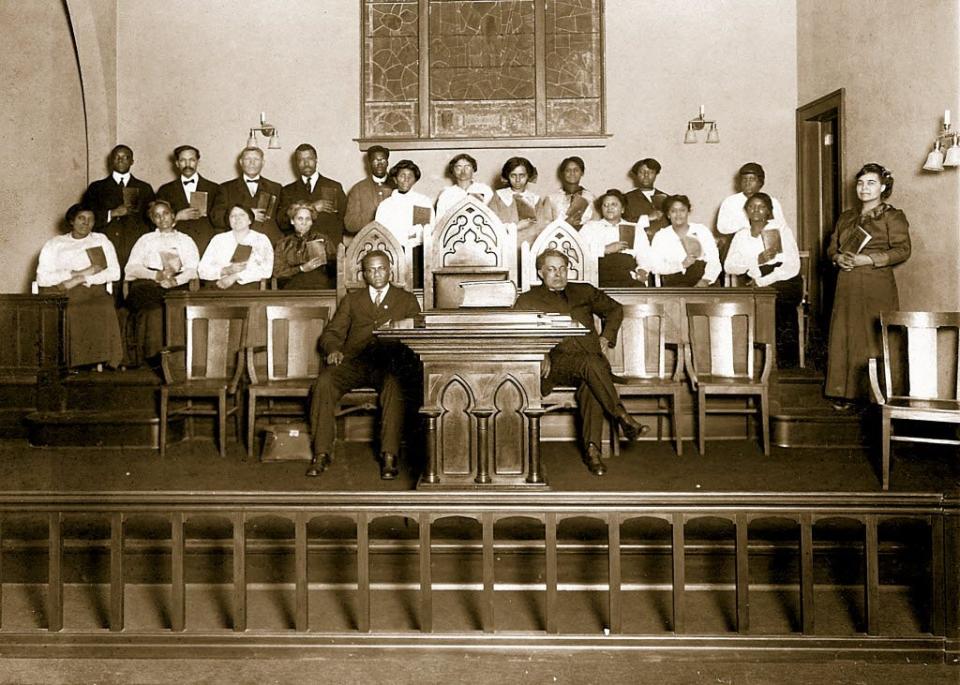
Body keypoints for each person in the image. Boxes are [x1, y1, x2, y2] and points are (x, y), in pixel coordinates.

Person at [514, 249, 649, 476]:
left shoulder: (583, 291)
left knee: (591, 381)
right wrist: (540, 352)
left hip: (592, 366)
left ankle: (592, 452)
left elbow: (615, 309)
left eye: (563, 268)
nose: (558, 274)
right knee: (592, 365)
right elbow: (517, 332)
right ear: (540, 273)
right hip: (556, 366)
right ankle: (622, 417)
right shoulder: (528, 299)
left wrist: (607, 336)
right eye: (551, 269)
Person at [309, 250, 422, 479]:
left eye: (381, 268)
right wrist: (333, 350)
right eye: (371, 270)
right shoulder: (352, 299)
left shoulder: (406, 299)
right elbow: (331, 333)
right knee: (324, 382)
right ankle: (321, 453)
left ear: (390, 270)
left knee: (394, 385)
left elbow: (418, 332)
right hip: (355, 362)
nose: (377, 274)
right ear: (364, 274)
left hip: (389, 363)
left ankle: (389, 455)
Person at [825, 163, 910, 408]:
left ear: (883, 187)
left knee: (873, 338)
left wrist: (870, 259)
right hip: (847, 282)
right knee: (846, 334)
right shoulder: (847, 217)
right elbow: (832, 247)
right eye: (861, 183)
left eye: (871, 183)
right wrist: (837, 257)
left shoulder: (893, 216)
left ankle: (877, 396)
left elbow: (903, 250)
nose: (864, 188)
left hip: (876, 283)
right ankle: (845, 394)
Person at [35, 204, 123, 369]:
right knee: (69, 308)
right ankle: (71, 361)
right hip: (62, 289)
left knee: (103, 305)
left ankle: (99, 359)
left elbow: (115, 272)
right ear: (71, 221)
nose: (86, 223)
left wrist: (83, 278)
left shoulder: (101, 240)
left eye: (91, 219)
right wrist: (74, 274)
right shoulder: (55, 244)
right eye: (81, 218)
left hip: (92, 288)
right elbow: (42, 278)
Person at [723, 192, 802, 366]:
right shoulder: (741, 235)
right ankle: (754, 364)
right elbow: (729, 266)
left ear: (769, 211)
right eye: (751, 206)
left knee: (779, 309)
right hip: (753, 281)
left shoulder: (780, 230)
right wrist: (756, 261)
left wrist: (762, 281)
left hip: (783, 281)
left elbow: (792, 266)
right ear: (746, 211)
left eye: (761, 207)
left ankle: (785, 365)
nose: (756, 210)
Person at [123, 200, 200, 363]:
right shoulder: (145, 240)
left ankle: (177, 359)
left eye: (165, 213)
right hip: (149, 284)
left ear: (173, 216)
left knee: (173, 307)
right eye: (156, 216)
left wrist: (175, 281)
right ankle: (153, 359)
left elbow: (193, 269)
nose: (162, 219)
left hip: (176, 284)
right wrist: (156, 276)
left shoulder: (185, 240)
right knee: (155, 310)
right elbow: (131, 269)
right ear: (152, 220)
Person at [81, 144, 155, 270]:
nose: (120, 160)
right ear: (111, 161)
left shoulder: (144, 188)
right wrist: (112, 213)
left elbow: (152, 219)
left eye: (125, 157)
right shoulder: (96, 188)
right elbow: (86, 217)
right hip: (107, 243)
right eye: (117, 157)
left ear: (132, 161)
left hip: (135, 245)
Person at [278, 143, 346, 256]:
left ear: (316, 160)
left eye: (309, 159)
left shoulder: (334, 186)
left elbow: (344, 218)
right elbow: (282, 222)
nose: (306, 163)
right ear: (296, 163)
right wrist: (312, 207)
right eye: (301, 160)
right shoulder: (287, 190)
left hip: (329, 251)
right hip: (299, 253)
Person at [374, 159, 434, 286]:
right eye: (402, 176)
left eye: (410, 176)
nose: (406, 179)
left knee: (416, 286)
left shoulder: (422, 201)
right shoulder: (386, 205)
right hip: (392, 252)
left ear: (415, 180)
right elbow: (380, 232)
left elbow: (424, 229)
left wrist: (410, 239)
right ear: (395, 179)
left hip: (416, 254)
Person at [155, 145, 221, 255]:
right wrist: (177, 217)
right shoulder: (165, 190)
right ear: (176, 163)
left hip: (205, 246)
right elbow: (156, 221)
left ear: (198, 162)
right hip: (176, 247)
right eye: (183, 160)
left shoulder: (214, 188)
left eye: (191, 160)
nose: (187, 164)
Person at [210, 147, 284, 245]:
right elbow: (216, 217)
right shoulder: (226, 188)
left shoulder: (276, 188)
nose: (252, 163)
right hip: (237, 243)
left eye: (256, 159)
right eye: (247, 159)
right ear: (241, 162)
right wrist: (246, 213)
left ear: (263, 162)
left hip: (269, 243)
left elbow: (282, 219)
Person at [579, 189, 650, 287]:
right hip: (599, 274)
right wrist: (605, 249)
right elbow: (580, 253)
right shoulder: (590, 227)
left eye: (614, 204)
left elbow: (645, 254)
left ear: (622, 209)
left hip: (627, 274)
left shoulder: (635, 228)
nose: (609, 208)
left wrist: (642, 270)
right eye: (605, 205)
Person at [648, 195, 721, 287]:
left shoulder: (701, 230)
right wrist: (681, 265)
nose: (678, 215)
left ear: (688, 212)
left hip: (704, 280)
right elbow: (655, 267)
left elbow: (714, 261)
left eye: (682, 210)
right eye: (673, 211)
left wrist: (706, 280)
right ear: (668, 214)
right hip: (675, 283)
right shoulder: (661, 236)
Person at [198, 204, 273, 289]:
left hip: (249, 289)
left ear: (250, 220)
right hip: (219, 286)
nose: (237, 218)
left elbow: (266, 270)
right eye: (233, 216)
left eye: (242, 215)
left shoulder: (261, 239)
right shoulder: (218, 239)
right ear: (229, 221)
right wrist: (226, 270)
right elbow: (202, 270)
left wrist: (235, 277)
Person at [489, 156, 549, 246]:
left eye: (522, 175)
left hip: (529, 246)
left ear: (528, 176)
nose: (517, 180)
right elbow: (491, 224)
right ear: (507, 176)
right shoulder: (499, 196)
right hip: (505, 244)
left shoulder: (535, 199)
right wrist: (515, 227)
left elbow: (541, 228)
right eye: (513, 175)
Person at [273, 202, 335, 289]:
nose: (304, 222)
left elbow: (334, 268)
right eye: (300, 219)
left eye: (308, 219)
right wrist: (301, 268)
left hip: (319, 288)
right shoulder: (283, 244)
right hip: (291, 289)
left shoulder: (323, 240)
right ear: (292, 221)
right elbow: (277, 273)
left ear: (312, 222)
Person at [716, 162, 786, 235]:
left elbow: (781, 226)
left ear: (760, 182)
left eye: (752, 179)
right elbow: (722, 228)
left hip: (765, 241)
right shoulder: (730, 202)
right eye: (744, 179)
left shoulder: (772, 201)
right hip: (738, 241)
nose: (747, 183)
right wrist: (748, 223)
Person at [344, 145, 394, 234]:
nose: (379, 164)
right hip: (368, 240)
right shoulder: (358, 189)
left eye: (383, 160)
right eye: (375, 161)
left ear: (387, 163)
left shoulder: (397, 186)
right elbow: (349, 224)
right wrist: (374, 214)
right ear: (369, 163)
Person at [540, 156, 596, 230]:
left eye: (576, 170)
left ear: (582, 172)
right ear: (562, 173)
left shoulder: (591, 198)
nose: (572, 173)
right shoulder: (551, 198)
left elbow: (596, 224)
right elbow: (544, 227)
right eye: (568, 170)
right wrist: (565, 224)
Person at [435, 153, 493, 219]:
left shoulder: (484, 190)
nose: (463, 171)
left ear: (473, 169)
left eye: (467, 167)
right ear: (452, 171)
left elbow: (492, 216)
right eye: (458, 167)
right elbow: (439, 220)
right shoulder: (446, 194)